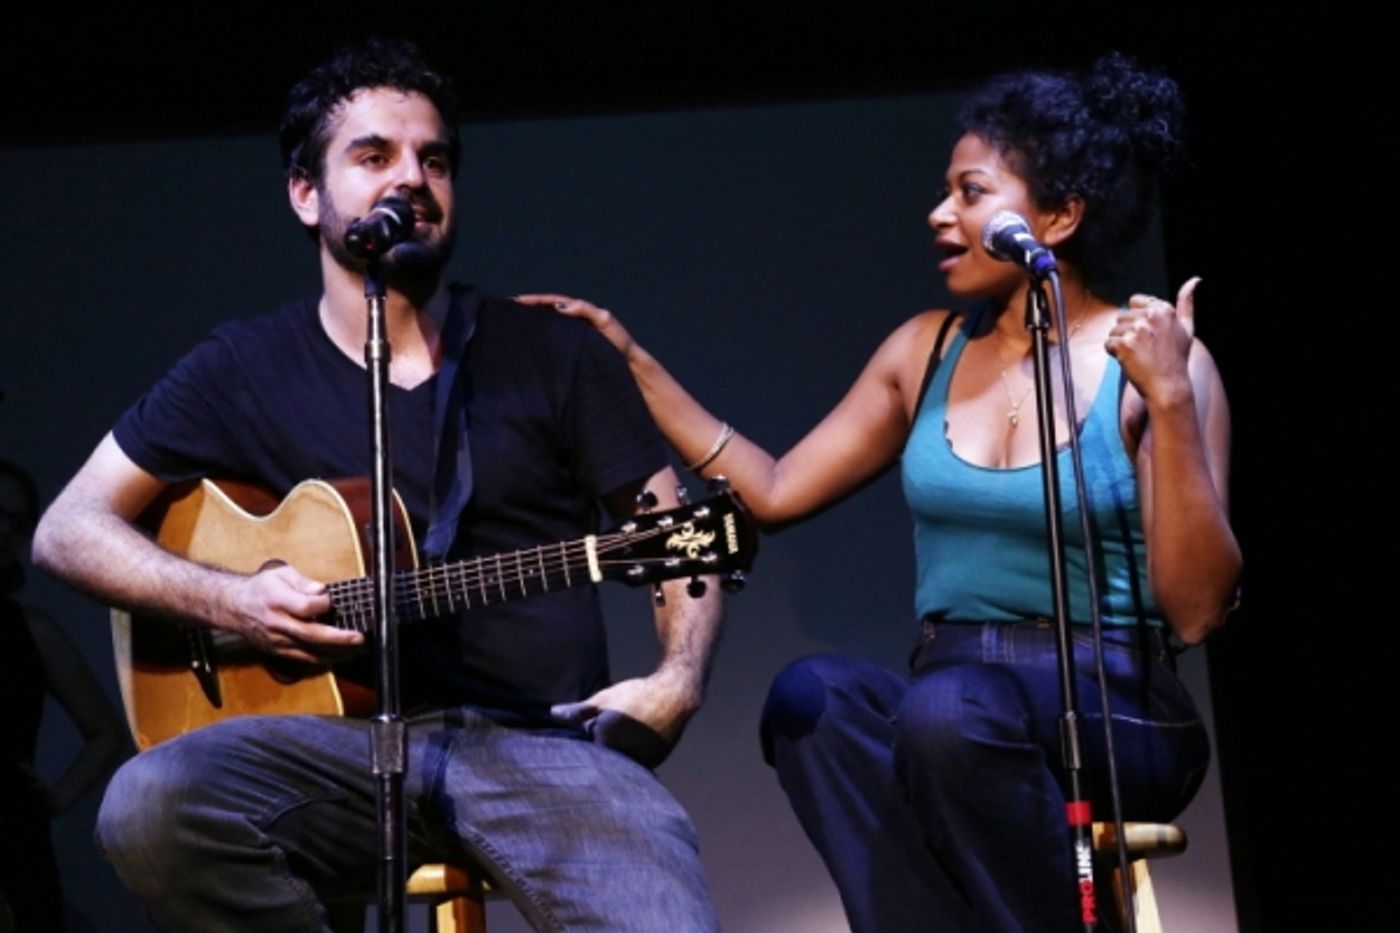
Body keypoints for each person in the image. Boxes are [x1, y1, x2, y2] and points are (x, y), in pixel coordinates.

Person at [521, 53, 1241, 932]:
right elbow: (777, 491)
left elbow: (1199, 610)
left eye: (971, 193)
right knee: (811, 698)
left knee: (946, 714)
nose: (940, 214)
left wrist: (1168, 398)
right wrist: (633, 363)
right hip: (956, 697)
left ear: (1056, 217)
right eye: (946, 192)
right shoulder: (924, 351)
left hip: (1116, 700)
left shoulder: (1153, 358)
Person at [32, 38, 725, 932]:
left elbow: (673, 534)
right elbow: (68, 528)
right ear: (305, 193)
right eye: (375, 156)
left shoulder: (553, 352)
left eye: (434, 160)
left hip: (540, 742)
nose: (413, 179)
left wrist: (678, 681)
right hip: (332, 752)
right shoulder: (240, 367)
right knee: (150, 803)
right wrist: (233, 600)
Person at [1, 459, 128, 932]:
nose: (2, 531)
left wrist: (51, 801)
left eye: (15, 521)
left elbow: (106, 733)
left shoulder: (31, 631)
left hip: (13, 845)